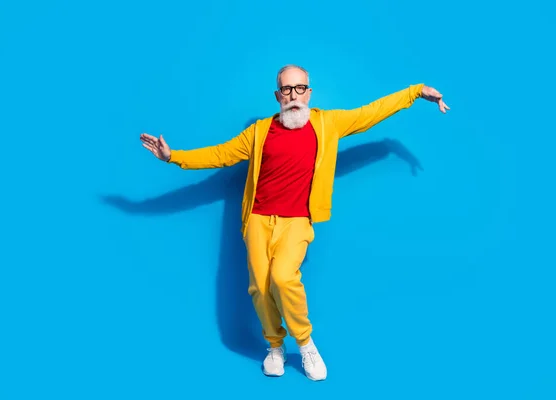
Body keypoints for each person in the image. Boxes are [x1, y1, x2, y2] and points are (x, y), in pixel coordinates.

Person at [140, 64, 449, 381]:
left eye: (299, 88)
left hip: (297, 221)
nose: (293, 95)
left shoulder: (328, 124)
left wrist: (415, 91)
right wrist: (172, 156)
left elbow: (372, 112)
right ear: (277, 96)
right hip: (259, 220)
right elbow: (220, 154)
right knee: (259, 288)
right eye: (286, 89)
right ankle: (274, 346)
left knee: (284, 277)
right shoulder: (260, 131)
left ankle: (304, 343)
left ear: (309, 93)